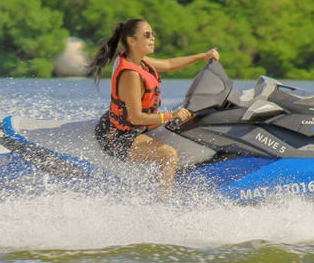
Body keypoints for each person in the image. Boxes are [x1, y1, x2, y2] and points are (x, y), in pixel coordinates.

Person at [90, 18, 220, 199]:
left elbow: (168, 64)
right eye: (147, 35)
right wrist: (169, 115)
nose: (153, 38)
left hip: (135, 126)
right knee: (169, 155)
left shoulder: (139, 61)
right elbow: (135, 117)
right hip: (118, 136)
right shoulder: (130, 74)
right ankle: (162, 204)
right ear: (131, 41)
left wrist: (202, 56)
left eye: (153, 34)